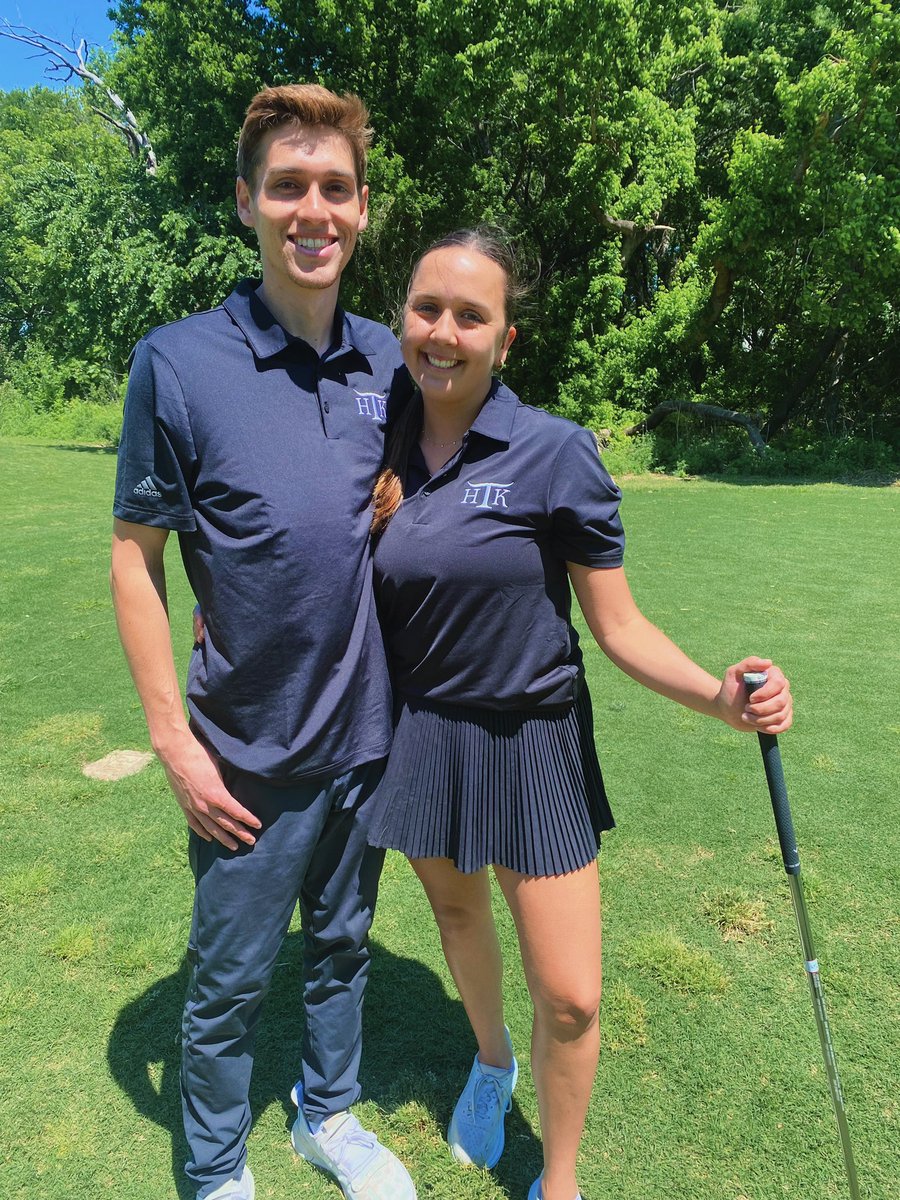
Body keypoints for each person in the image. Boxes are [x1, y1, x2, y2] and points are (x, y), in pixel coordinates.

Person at [367, 228, 794, 1200]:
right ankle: (489, 1059)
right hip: (426, 732)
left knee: (572, 996)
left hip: (534, 740)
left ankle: (559, 1181)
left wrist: (722, 701)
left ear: (505, 339)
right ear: (404, 319)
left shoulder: (554, 453)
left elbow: (620, 626)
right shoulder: (380, 431)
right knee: (455, 908)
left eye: (469, 316)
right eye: (427, 308)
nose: (443, 332)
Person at [110, 85, 417, 1200]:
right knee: (231, 980)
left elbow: (444, 487)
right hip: (244, 746)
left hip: (366, 733)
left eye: (335, 188)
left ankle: (327, 1118)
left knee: (342, 948)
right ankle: (211, 1167)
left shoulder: (391, 359)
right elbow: (134, 559)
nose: (313, 210)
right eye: (288, 186)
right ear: (247, 201)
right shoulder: (179, 362)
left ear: (362, 208)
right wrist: (173, 743)